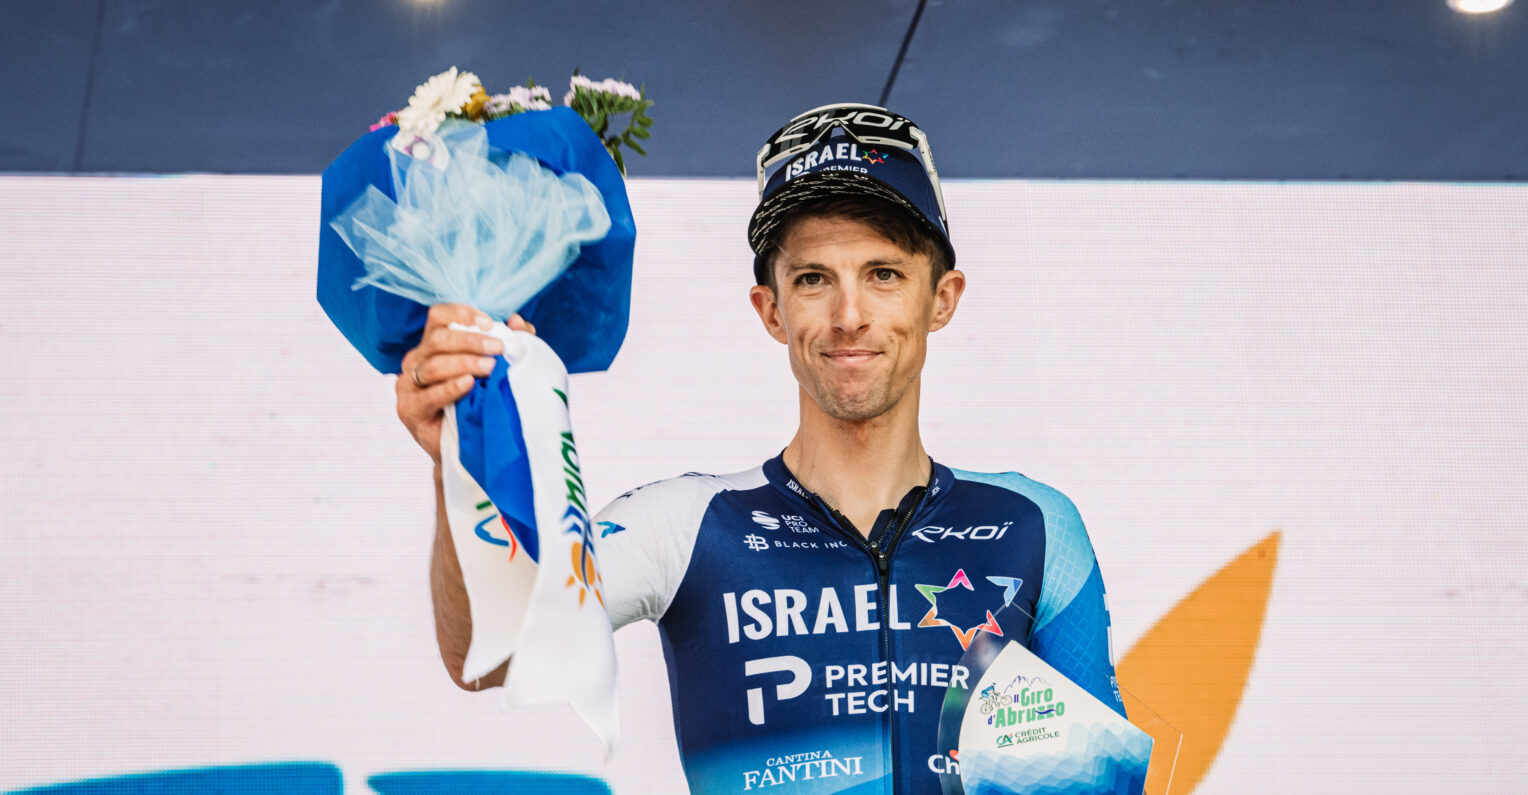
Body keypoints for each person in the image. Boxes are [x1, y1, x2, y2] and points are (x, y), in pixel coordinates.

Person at [396, 103, 1126, 794]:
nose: (849, 315)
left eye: (884, 274)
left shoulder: (1035, 525)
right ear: (770, 310)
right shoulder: (685, 524)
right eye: (813, 279)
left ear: (942, 297)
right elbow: (487, 653)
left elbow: (1097, 782)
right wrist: (454, 461)